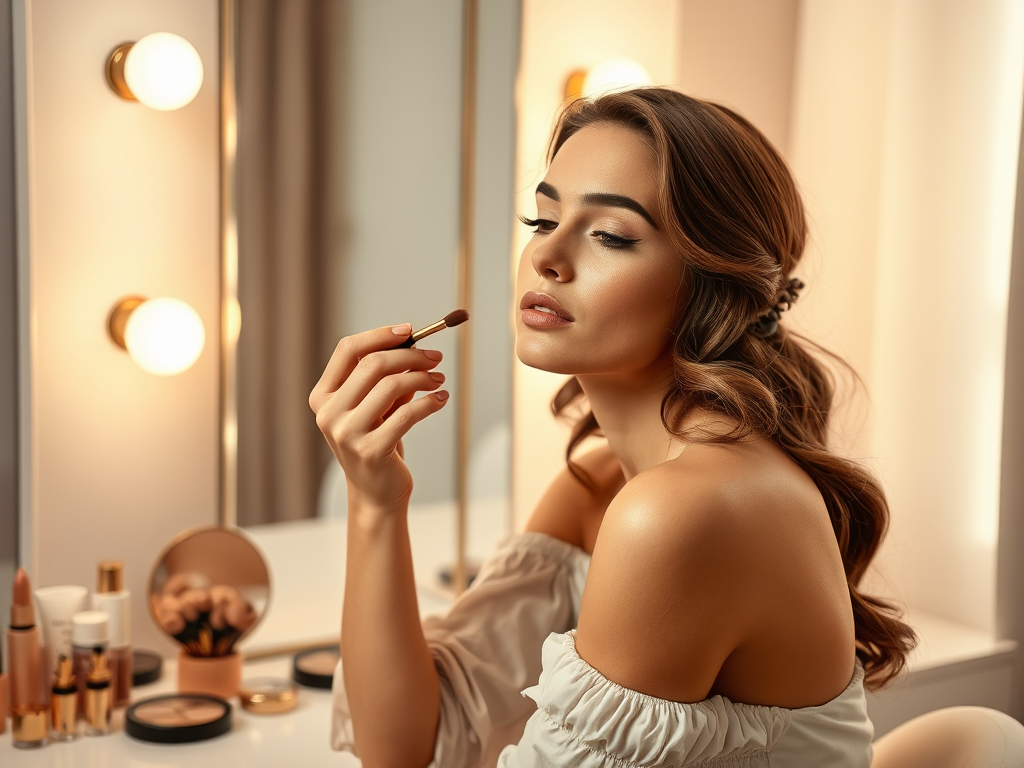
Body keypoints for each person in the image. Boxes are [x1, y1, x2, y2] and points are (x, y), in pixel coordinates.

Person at [309, 87, 918, 768]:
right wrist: (375, 504)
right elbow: (406, 746)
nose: (548, 257)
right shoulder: (599, 484)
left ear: (713, 284)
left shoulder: (680, 511)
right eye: (542, 220)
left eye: (611, 236)